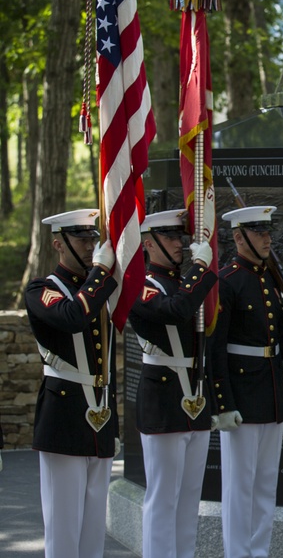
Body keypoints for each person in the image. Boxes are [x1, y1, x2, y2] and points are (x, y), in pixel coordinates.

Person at [211, 205, 283, 558]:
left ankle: (258, 551)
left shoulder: (268, 279)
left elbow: (276, 339)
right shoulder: (227, 281)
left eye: (268, 231)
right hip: (242, 399)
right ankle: (237, 553)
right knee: (239, 487)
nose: (267, 238)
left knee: (265, 486)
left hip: (271, 394)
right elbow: (214, 351)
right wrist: (223, 404)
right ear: (238, 236)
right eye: (259, 232)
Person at [24, 208, 119, 558]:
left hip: (99, 416)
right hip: (63, 416)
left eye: (93, 238)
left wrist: (115, 423)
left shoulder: (96, 292)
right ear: (58, 245)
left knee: (93, 528)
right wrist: (100, 273)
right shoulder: (41, 289)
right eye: (81, 239)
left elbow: (106, 363)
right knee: (64, 530)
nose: (91, 245)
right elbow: (72, 318)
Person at [128, 209, 217, 558]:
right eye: (169, 238)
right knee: (163, 498)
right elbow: (176, 310)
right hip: (163, 397)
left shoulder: (182, 282)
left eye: (179, 236)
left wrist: (197, 271)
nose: (179, 243)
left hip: (195, 393)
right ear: (148, 244)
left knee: (189, 498)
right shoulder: (141, 285)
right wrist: (200, 268)